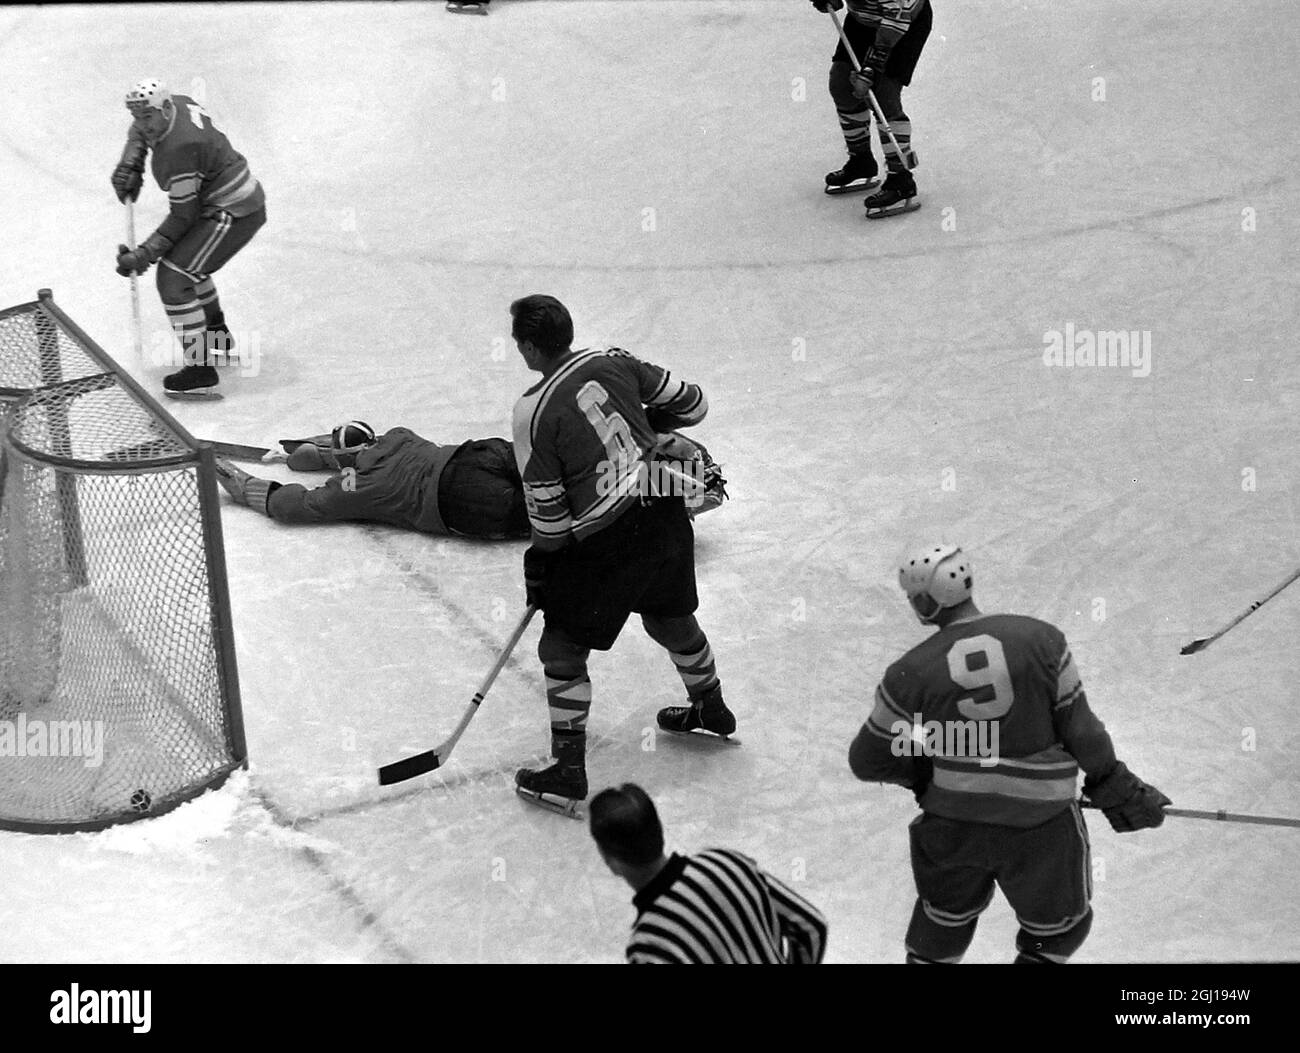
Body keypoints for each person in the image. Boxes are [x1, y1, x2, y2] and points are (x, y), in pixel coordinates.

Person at [848, 544, 1171, 963]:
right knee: (1059, 932)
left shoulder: (910, 672)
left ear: (925, 601)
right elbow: (1083, 732)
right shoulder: (1043, 640)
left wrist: (926, 770)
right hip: (1041, 827)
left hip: (953, 827)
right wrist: (1116, 787)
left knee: (943, 922)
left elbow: (868, 759)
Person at [509, 294, 736, 815]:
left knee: (561, 652)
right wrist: (648, 421)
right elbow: (694, 405)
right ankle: (711, 705)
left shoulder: (531, 411)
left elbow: (549, 513)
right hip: (663, 508)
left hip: (608, 541)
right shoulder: (614, 360)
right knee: (669, 617)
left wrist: (544, 565)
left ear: (526, 346)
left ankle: (567, 773)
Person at [213, 421, 726, 538]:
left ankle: (661, 502)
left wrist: (244, 488)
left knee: (565, 512)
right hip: (477, 455)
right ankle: (666, 472)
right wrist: (313, 455)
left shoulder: (354, 491)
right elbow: (334, 451)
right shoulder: (397, 434)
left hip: (459, 502)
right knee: (564, 471)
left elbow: (294, 506)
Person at [112, 78, 266, 396]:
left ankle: (200, 369)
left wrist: (144, 254)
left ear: (165, 109)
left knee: (173, 276)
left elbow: (184, 216)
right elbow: (140, 130)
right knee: (189, 267)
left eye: (148, 117)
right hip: (234, 198)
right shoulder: (176, 103)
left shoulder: (177, 151)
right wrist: (132, 160)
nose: (143, 125)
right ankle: (216, 336)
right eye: (138, 117)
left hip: (233, 211)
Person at [589, 783, 828, 964]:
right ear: (659, 831)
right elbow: (812, 926)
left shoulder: (650, 944)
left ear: (610, 860)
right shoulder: (726, 862)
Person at [812, 1, 932, 216]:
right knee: (841, 85)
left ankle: (900, 178)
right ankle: (861, 161)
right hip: (863, 20)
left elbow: (897, 18)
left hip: (902, 24)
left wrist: (870, 69)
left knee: (882, 93)